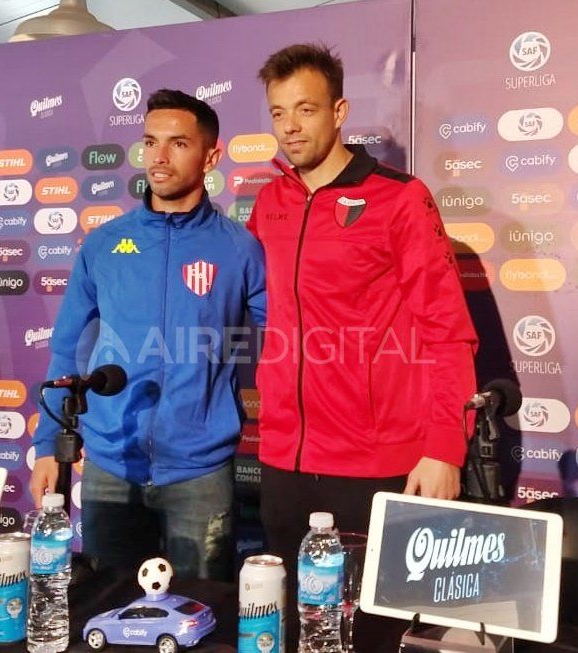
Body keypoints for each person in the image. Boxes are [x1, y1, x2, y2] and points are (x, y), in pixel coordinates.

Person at [247, 43, 478, 647]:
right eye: (277, 113)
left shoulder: (400, 198)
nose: (290, 127)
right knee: (293, 633)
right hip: (284, 461)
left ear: (340, 110)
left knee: (375, 636)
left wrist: (445, 447)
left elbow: (447, 330)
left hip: (375, 463)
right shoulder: (269, 203)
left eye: (305, 109)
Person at [30, 89, 266, 581]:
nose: (158, 157)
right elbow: (68, 347)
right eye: (150, 141)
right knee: (105, 609)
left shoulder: (241, 249)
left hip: (201, 471)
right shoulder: (104, 244)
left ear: (211, 156)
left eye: (178, 143)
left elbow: (282, 344)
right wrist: (49, 443)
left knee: (200, 617)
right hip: (110, 466)